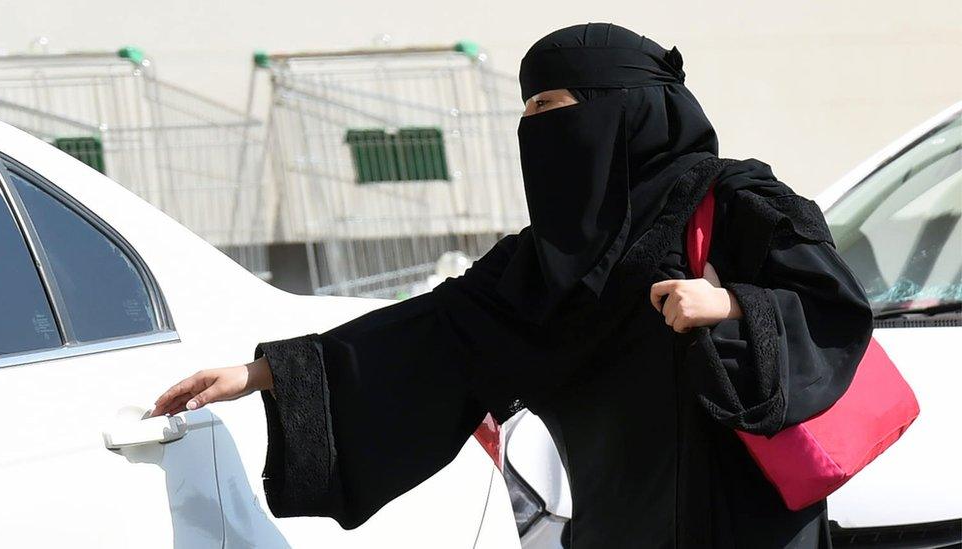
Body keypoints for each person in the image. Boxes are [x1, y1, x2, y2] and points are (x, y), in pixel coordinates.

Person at [152, 22, 874, 548]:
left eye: (552, 108)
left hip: (745, 526)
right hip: (613, 528)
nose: (533, 128)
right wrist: (264, 372)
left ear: (623, 106)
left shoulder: (739, 199)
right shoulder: (542, 261)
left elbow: (832, 307)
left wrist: (730, 306)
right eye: (525, 111)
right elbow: (435, 331)